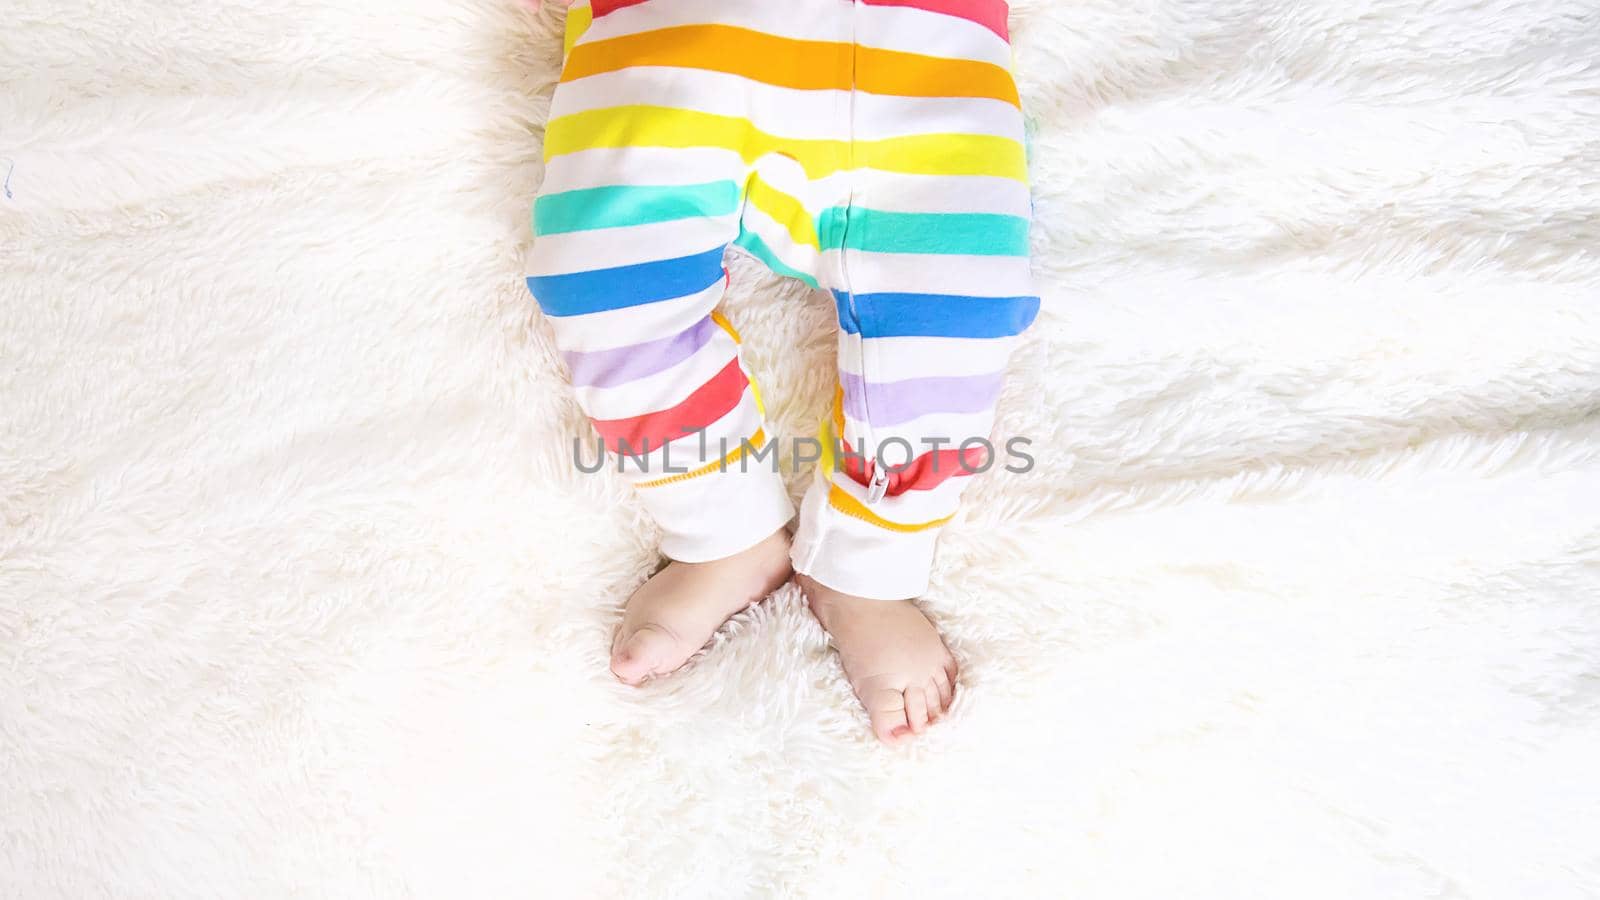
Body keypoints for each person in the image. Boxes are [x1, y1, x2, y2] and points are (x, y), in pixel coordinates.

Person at [526, 0, 1037, 743]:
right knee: (600, 275)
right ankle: (722, 525)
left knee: (961, 306)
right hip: (677, 45)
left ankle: (870, 559)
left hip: (926, 71)